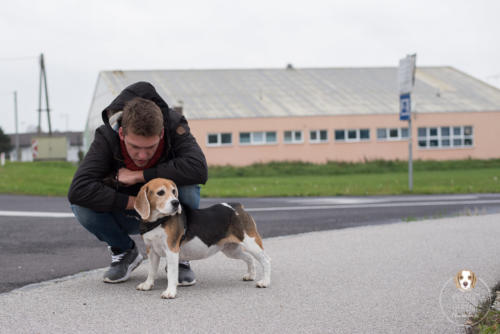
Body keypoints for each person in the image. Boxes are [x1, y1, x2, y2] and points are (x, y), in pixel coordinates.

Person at [68, 81, 208, 285]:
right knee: (81, 204)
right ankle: (124, 251)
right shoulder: (106, 136)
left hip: (167, 212)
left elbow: (198, 169)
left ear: (161, 135)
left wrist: (139, 174)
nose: (142, 155)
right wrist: (138, 203)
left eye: (150, 147)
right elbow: (78, 189)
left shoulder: (173, 125)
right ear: (122, 133)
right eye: (135, 147)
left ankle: (179, 255)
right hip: (128, 209)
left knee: (185, 187)